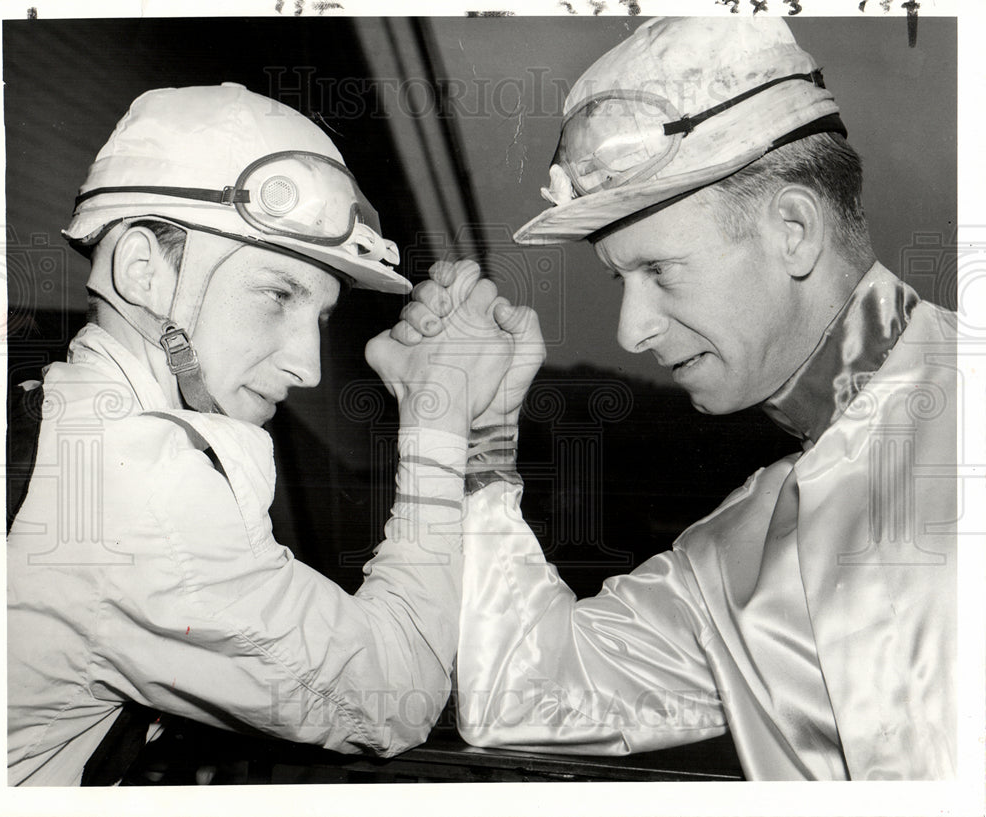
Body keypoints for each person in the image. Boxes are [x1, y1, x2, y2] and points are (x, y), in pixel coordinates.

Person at [394, 17, 957, 780]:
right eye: (618, 280)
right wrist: (479, 434)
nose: (631, 330)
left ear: (793, 229)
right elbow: (525, 694)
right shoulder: (734, 553)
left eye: (660, 269)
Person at [6, 83, 521, 786]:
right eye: (278, 294)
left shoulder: (60, 420)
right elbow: (393, 697)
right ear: (143, 272)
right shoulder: (142, 493)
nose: (307, 366)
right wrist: (438, 416)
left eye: (320, 316)